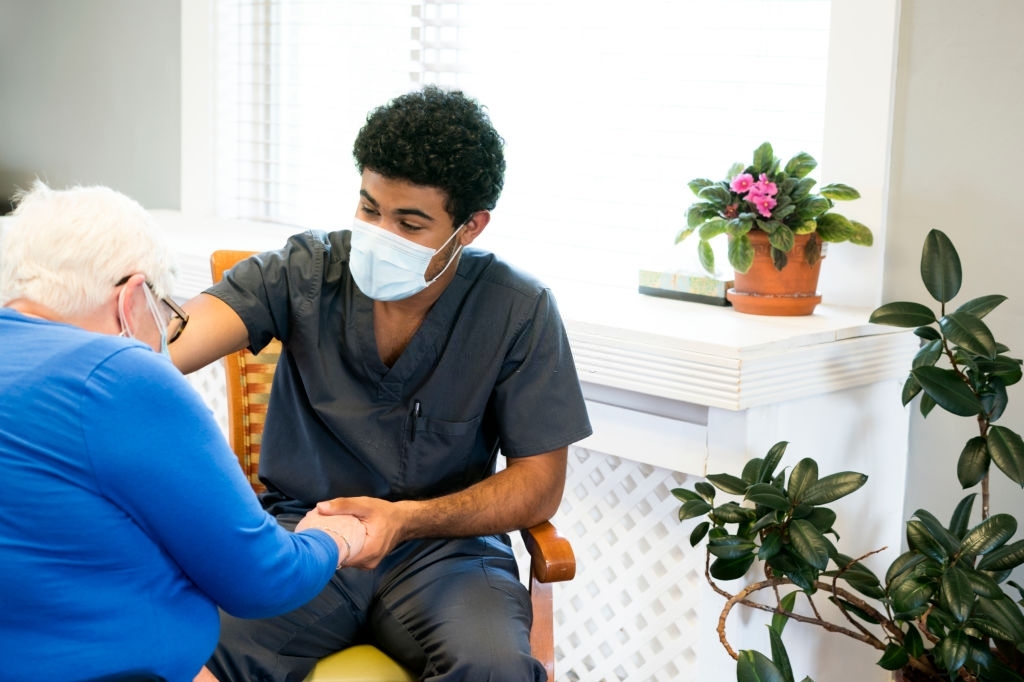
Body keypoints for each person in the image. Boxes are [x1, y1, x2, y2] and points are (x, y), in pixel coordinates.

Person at [171, 85, 593, 681]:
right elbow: (173, 342)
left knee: (495, 668)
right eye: (369, 209)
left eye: (410, 222)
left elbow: (538, 486)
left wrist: (408, 520)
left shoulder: (516, 310)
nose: (378, 233)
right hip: (306, 534)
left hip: (445, 549)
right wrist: (126, 341)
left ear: (470, 227)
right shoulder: (305, 271)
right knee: (184, 648)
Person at [0, 182, 367, 682]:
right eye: (165, 313)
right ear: (133, 297)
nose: (166, 336)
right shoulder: (120, 374)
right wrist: (335, 539)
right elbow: (264, 578)